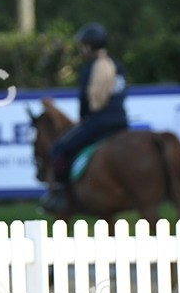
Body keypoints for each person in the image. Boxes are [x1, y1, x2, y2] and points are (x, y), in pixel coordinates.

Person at [40, 22, 130, 214]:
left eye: (83, 45)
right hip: (121, 121)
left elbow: (86, 101)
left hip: (98, 122)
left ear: (89, 46)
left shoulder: (90, 69)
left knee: (58, 149)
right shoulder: (118, 66)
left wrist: (82, 119)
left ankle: (59, 194)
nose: (81, 49)